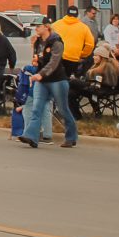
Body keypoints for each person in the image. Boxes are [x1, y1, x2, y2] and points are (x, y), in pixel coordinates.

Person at [18, 21, 78, 149]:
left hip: (57, 80)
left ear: (46, 27)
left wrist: (41, 74)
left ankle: (71, 137)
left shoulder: (56, 41)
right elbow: (37, 60)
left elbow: (54, 61)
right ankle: (31, 136)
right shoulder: (39, 42)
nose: (36, 29)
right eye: (35, 27)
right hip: (42, 81)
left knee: (63, 109)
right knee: (36, 108)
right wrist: (33, 48)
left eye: (38, 27)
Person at [52, 5, 95, 78]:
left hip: (57, 56)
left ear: (66, 14)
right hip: (73, 58)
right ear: (77, 15)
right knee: (68, 79)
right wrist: (82, 54)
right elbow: (90, 44)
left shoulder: (55, 25)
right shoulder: (84, 27)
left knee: (56, 78)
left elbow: (47, 37)